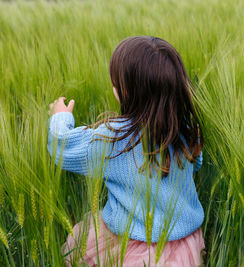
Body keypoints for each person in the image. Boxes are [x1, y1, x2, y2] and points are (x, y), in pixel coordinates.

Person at [47, 36, 205, 266]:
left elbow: (62, 147)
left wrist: (60, 117)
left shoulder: (112, 139)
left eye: (116, 83)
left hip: (126, 246)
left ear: (127, 93)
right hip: (182, 245)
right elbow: (195, 164)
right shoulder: (186, 130)